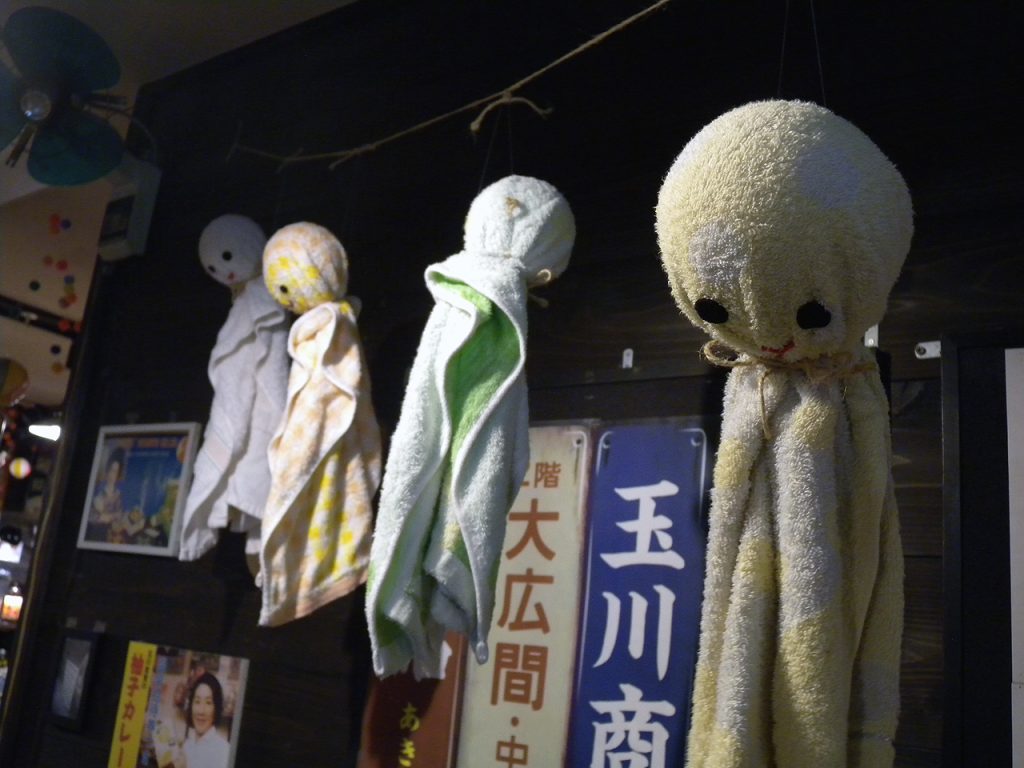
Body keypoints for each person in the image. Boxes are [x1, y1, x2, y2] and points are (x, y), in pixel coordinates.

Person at [173, 672, 231, 768]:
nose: (201, 711)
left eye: (208, 703)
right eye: (197, 701)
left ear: (216, 708)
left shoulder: (224, 751)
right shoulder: (187, 746)